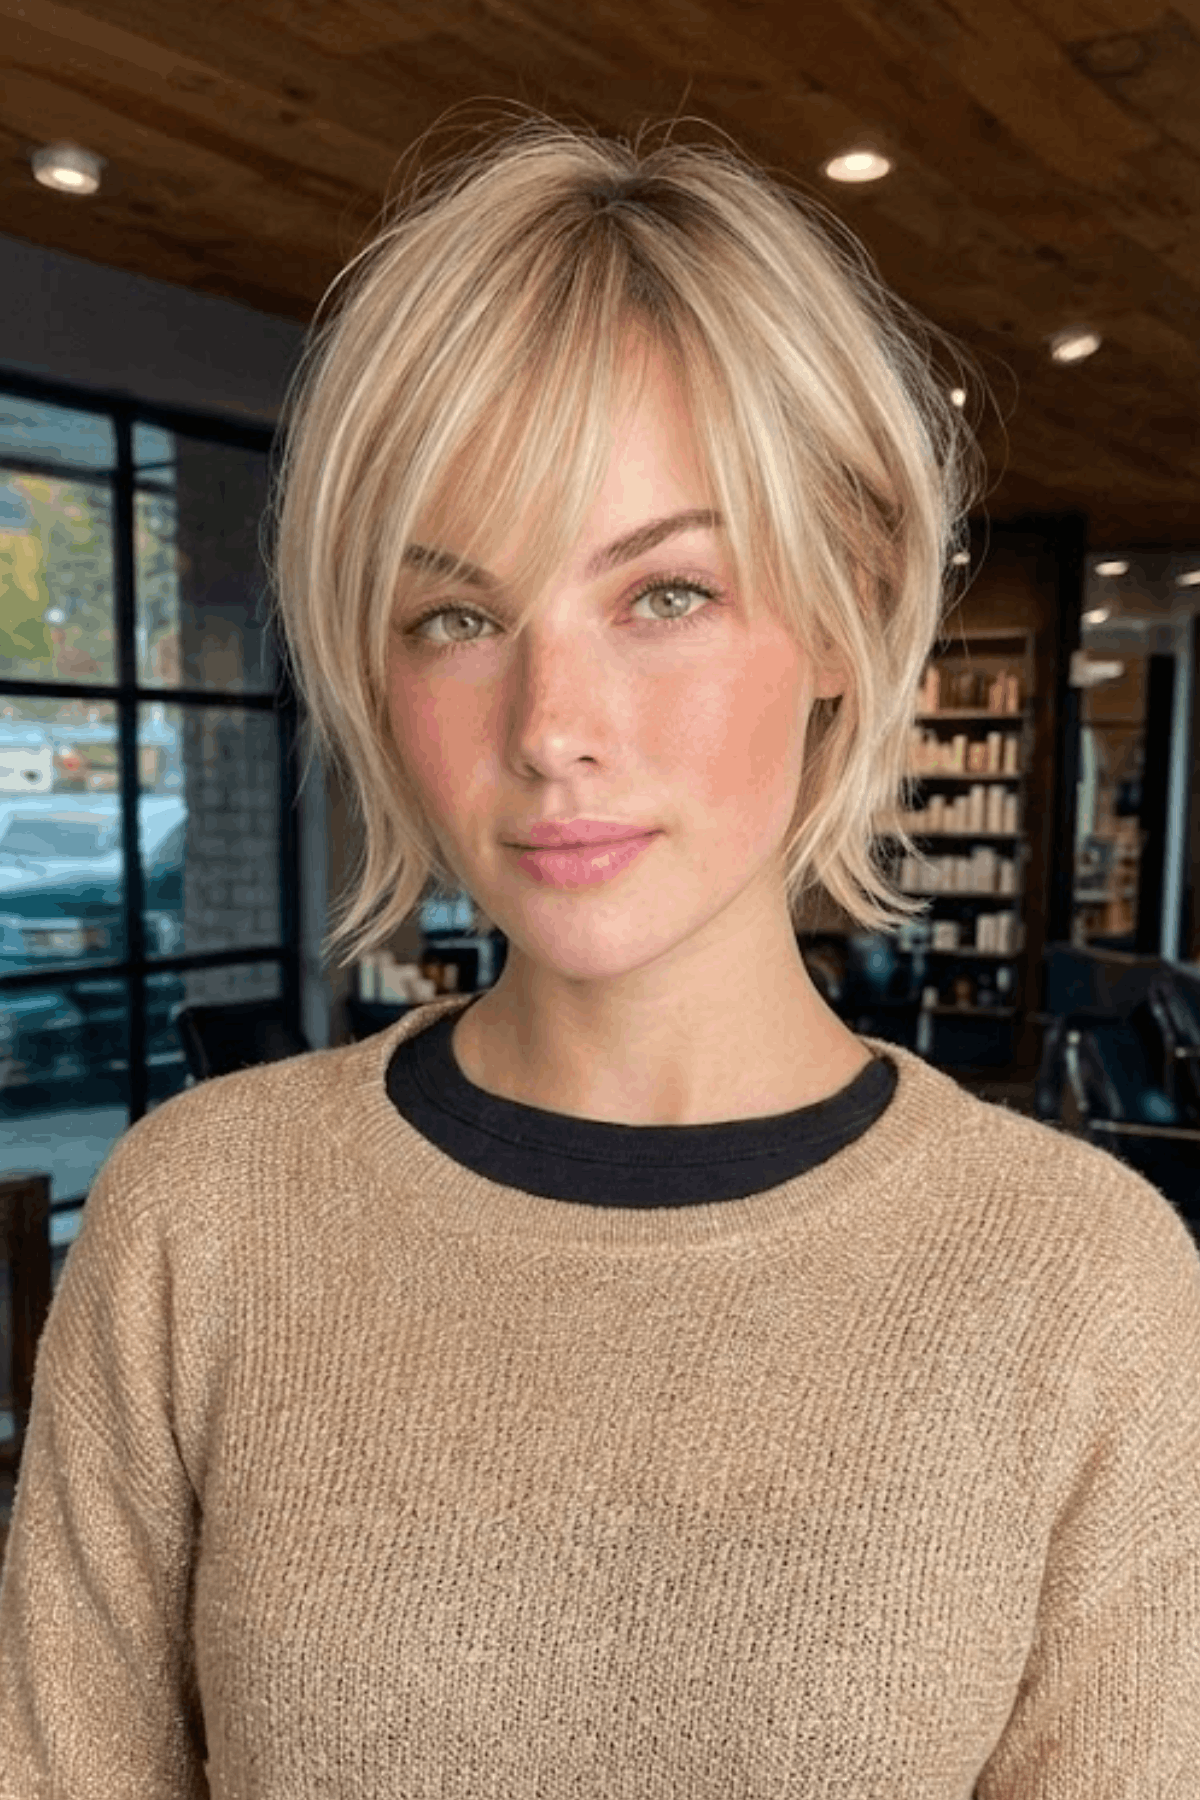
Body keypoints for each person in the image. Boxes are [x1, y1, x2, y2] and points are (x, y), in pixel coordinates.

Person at [2, 107, 1199, 1798]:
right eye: (459, 617)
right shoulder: (201, 1221)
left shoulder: (1086, 1288)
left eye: (665, 594)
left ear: (850, 609)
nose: (552, 728)